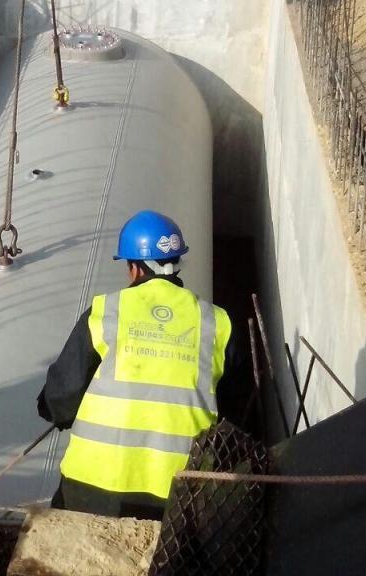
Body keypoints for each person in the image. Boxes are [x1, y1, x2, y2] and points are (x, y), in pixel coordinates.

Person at [37, 210, 243, 520]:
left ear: (134, 268)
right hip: (182, 491)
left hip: (93, 483)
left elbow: (61, 397)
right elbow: (234, 415)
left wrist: (54, 412)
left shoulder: (105, 312)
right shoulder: (218, 323)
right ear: (177, 263)